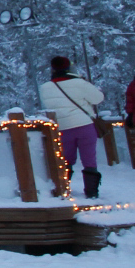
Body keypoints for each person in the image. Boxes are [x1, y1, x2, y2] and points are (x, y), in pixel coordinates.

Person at [39, 55, 108, 199]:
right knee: (89, 158)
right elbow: (98, 98)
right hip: (84, 124)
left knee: (66, 159)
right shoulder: (80, 83)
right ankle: (92, 192)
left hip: (62, 127)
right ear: (69, 67)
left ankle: (64, 188)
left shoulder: (45, 87)